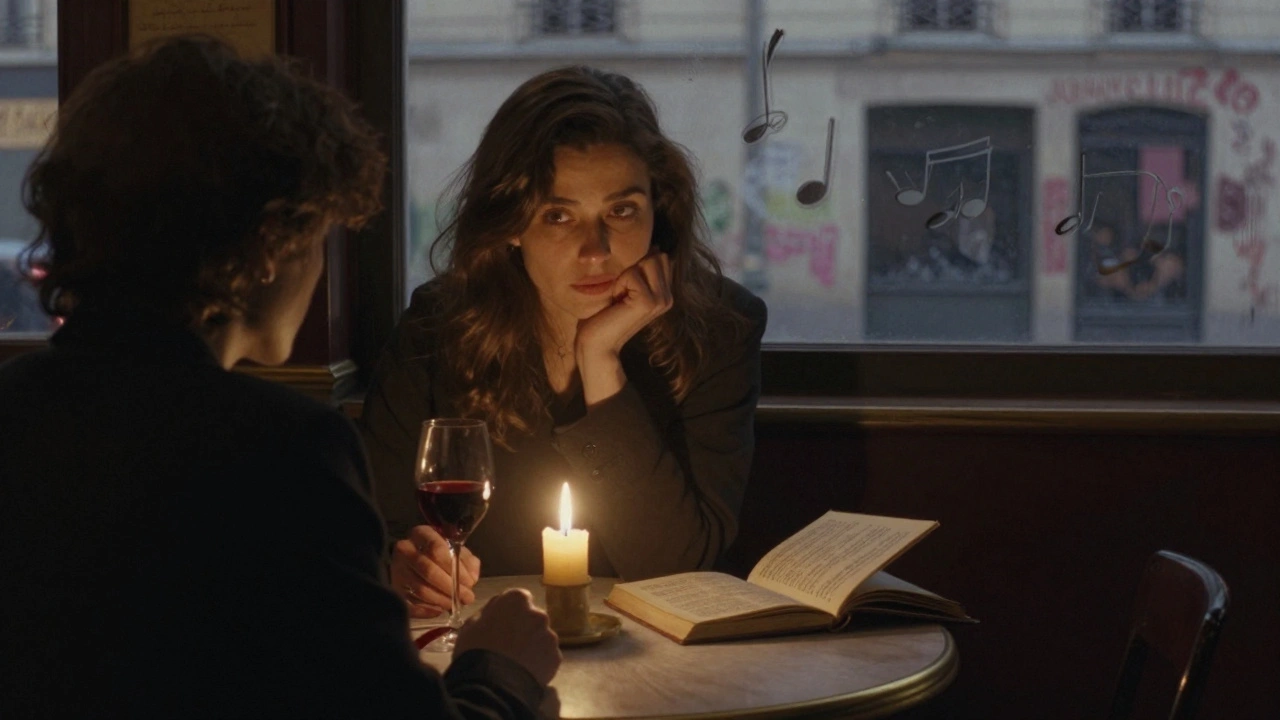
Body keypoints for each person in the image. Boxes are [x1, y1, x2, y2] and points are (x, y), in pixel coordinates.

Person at [0, 36, 559, 718]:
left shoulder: (16, 410)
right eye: (321, 236)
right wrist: (501, 668)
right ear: (271, 244)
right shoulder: (285, 450)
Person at [359, 66, 768, 619]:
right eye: (558, 216)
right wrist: (405, 565)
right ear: (510, 223)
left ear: (659, 210)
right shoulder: (440, 324)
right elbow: (373, 528)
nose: (595, 251)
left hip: (650, 658)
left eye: (621, 211)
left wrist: (600, 363)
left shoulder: (721, 328)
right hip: (480, 643)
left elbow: (677, 568)